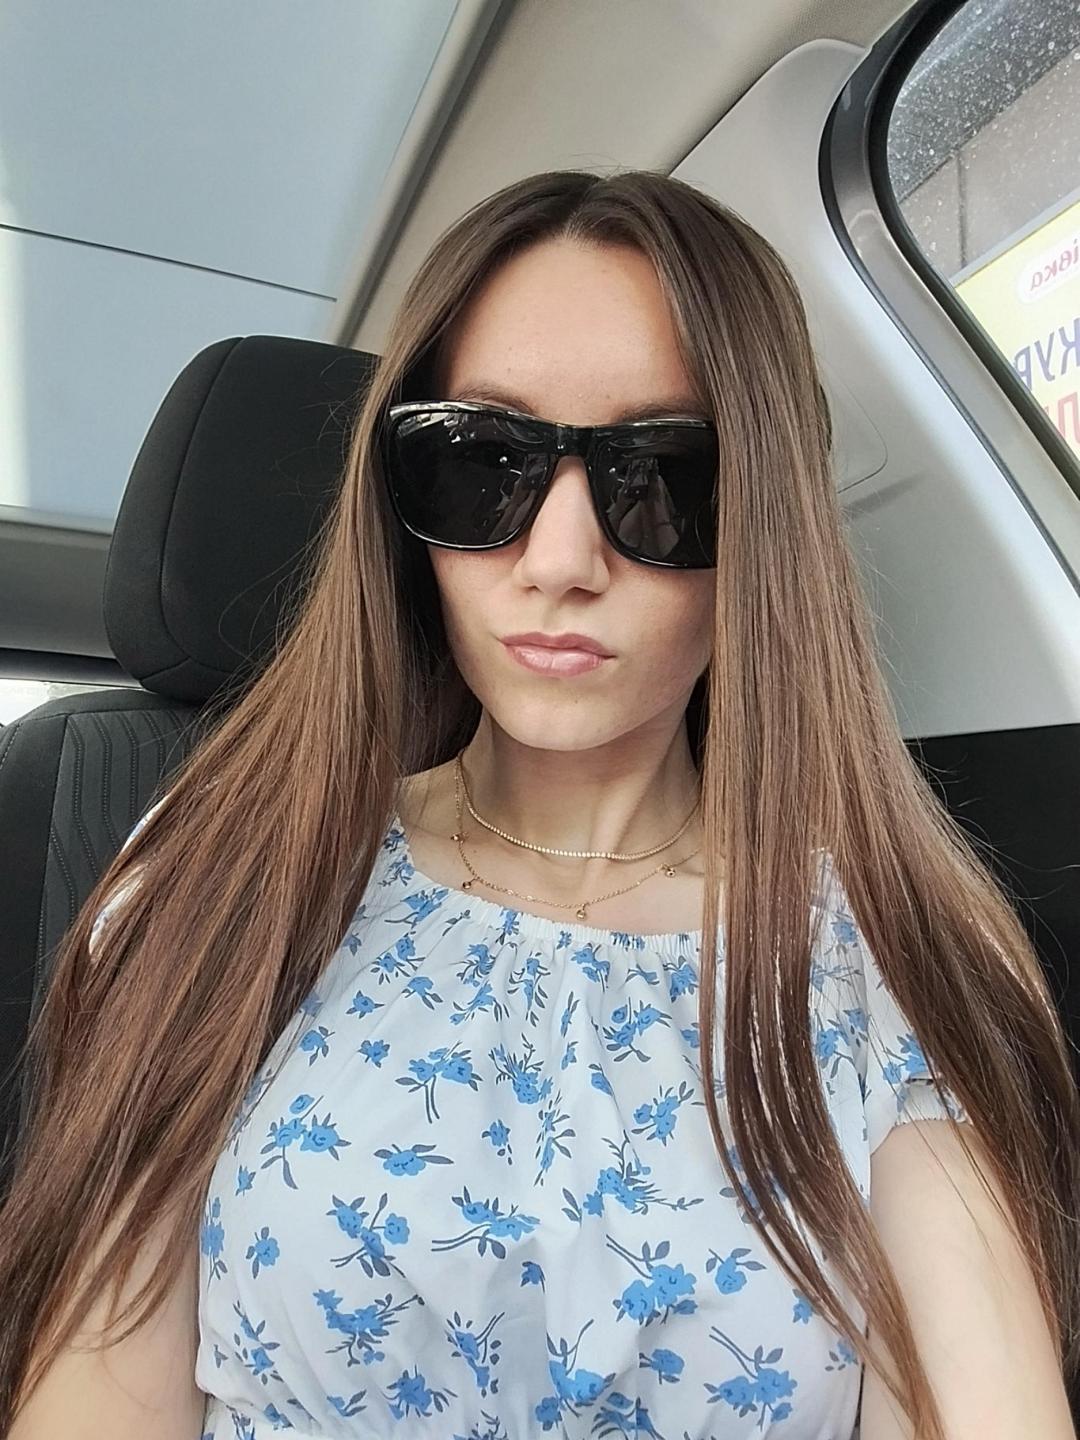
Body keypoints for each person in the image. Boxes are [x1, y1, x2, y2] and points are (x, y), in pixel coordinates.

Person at [2, 170, 1078, 1440]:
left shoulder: (886, 947)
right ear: (401, 509)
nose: (561, 561)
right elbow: (101, 1387)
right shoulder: (230, 868)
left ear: (766, 524)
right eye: (479, 465)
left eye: (661, 476)